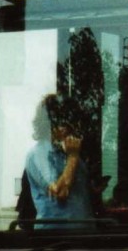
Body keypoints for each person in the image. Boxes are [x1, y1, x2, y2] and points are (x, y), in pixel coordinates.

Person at [24, 94, 94, 227]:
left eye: (69, 122)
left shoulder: (67, 152)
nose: (66, 128)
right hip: (55, 236)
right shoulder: (39, 154)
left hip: (82, 234)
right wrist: (73, 157)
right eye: (60, 123)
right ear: (47, 124)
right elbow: (60, 192)